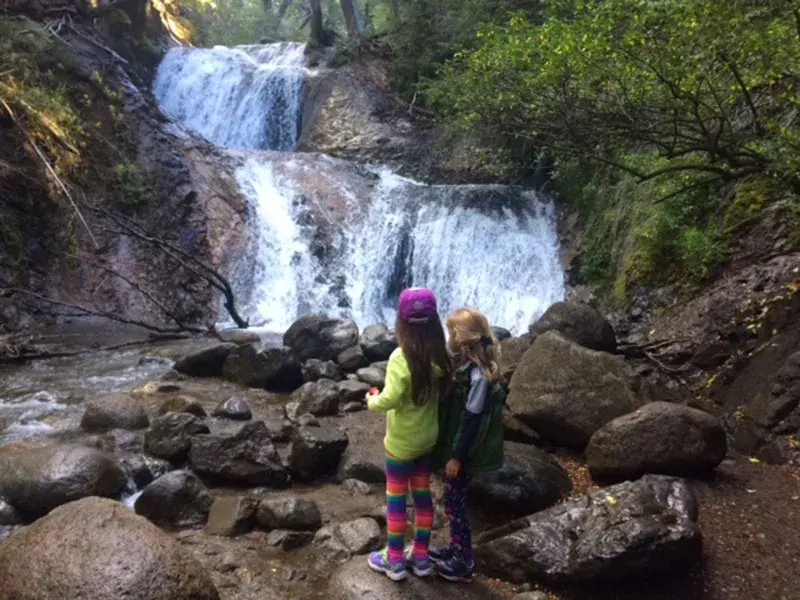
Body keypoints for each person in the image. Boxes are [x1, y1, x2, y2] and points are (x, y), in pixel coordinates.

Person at [365, 288, 453, 582]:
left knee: (396, 499)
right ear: (434, 321)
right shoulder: (441, 356)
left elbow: (389, 399)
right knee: (423, 495)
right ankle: (421, 557)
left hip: (400, 445)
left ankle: (394, 561)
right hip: (427, 441)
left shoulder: (400, 358)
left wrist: (371, 399)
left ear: (400, 322)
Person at [430, 307, 506, 583]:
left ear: (465, 338)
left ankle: (464, 561)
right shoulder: (469, 366)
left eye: (453, 331)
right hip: (460, 449)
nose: (449, 336)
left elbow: (472, 422)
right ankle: (455, 547)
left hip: (464, 454)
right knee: (453, 502)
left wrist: (456, 458)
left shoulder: (478, 377)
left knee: (455, 505)